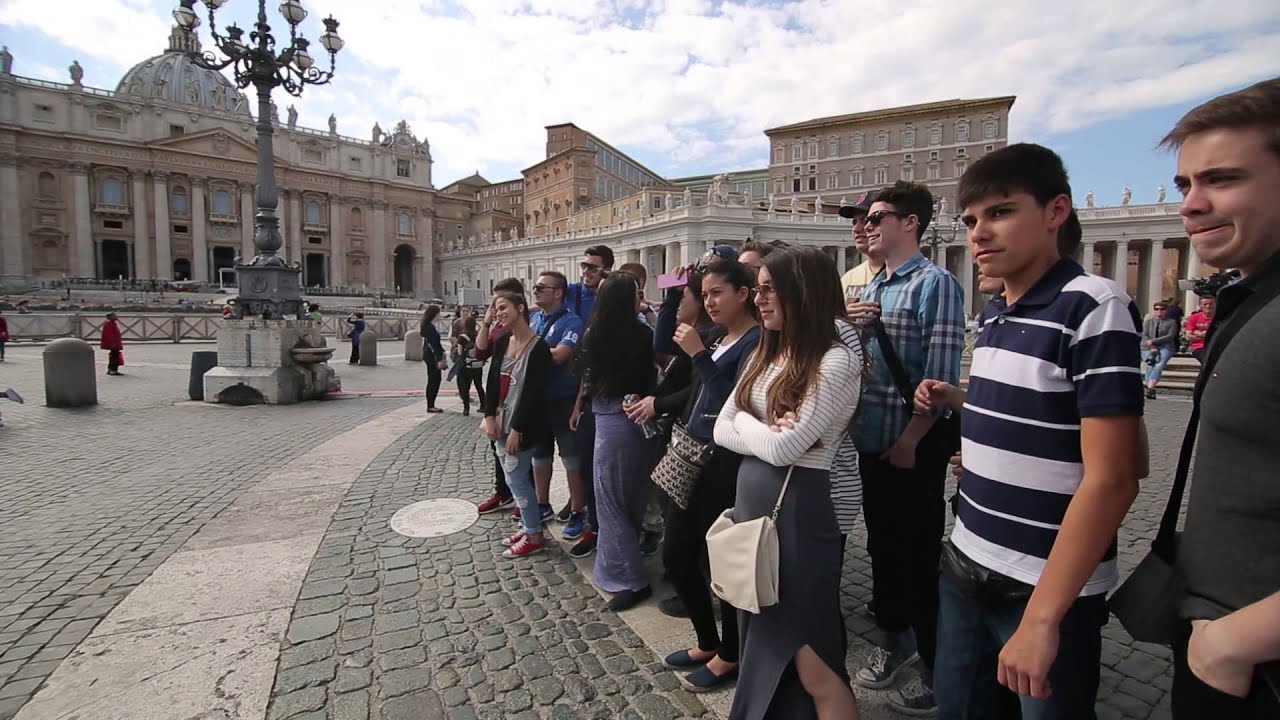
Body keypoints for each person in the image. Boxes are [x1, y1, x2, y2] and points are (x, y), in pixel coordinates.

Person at [917, 143, 1144, 719]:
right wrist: (969, 409)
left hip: (1042, 588)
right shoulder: (995, 311)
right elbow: (1043, 404)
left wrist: (1044, 619)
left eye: (1000, 212)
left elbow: (1117, 478)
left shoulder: (1094, 306)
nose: (979, 233)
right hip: (966, 559)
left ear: (1056, 210)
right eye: (970, 220)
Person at [1160, 77, 1280, 719]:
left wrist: (1236, 642)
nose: (1191, 205)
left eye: (1223, 179)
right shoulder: (1254, 298)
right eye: (1184, 185)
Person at [714, 246, 862, 720]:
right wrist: (768, 428)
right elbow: (721, 426)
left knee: (811, 655)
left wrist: (753, 428)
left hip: (797, 516)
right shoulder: (769, 350)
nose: (759, 299)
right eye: (758, 290)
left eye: (769, 289)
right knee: (762, 636)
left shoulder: (836, 361)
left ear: (805, 291)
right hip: (754, 509)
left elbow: (784, 450)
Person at [846, 181, 966, 715]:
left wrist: (911, 441)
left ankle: (939, 667)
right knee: (882, 548)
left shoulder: (934, 284)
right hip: (871, 442)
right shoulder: (876, 283)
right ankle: (895, 640)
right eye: (867, 219)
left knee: (918, 554)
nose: (867, 225)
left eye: (877, 217)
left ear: (910, 222)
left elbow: (939, 378)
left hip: (909, 445)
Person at [645, 260, 761, 693]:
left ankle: (731, 652)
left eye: (717, 293)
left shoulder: (754, 342)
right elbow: (663, 341)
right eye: (705, 294)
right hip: (689, 455)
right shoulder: (713, 335)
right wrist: (675, 291)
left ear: (742, 294)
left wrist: (699, 354)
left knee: (720, 562)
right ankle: (707, 640)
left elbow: (731, 398)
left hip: (723, 463)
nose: (709, 302)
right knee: (676, 554)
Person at [572, 272, 657, 610]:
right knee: (631, 499)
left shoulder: (595, 334)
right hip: (638, 421)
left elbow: (582, 376)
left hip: (611, 422)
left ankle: (629, 577)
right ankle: (625, 564)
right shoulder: (643, 332)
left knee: (611, 503)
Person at [481, 290, 553, 559]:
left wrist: (519, 430)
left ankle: (534, 534)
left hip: (522, 427)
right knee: (514, 480)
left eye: (503, 307)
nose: (498, 313)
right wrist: (488, 416)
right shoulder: (502, 342)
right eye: (496, 309)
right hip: (500, 421)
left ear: (520, 308)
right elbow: (490, 381)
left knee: (517, 480)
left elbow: (534, 393)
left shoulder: (539, 348)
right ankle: (529, 526)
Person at [562, 245, 616, 559]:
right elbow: (549, 292)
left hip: (605, 397)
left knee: (603, 468)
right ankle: (582, 508)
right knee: (581, 458)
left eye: (593, 268)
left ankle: (600, 523)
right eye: (584, 266)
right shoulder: (574, 293)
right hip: (583, 388)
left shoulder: (617, 301)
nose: (586, 273)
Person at [528, 271, 588, 536]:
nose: (536, 291)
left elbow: (561, 355)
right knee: (540, 457)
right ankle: (542, 504)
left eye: (542, 287)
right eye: (535, 287)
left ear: (558, 292)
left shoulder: (572, 322)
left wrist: (530, 348)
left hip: (563, 400)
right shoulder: (533, 319)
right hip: (538, 401)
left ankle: (578, 511)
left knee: (571, 460)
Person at [475, 279, 528, 516]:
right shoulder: (497, 325)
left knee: (520, 451)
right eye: (495, 304)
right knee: (497, 447)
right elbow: (480, 351)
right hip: (498, 395)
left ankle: (525, 499)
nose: (497, 309)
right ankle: (503, 491)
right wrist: (486, 322)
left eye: (502, 304)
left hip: (518, 394)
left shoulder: (525, 326)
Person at [1141, 301, 1179, 398]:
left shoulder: (1171, 322)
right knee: (1150, 365)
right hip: (1148, 347)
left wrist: (1153, 341)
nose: (1159, 311)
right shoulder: (1148, 322)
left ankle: (1150, 387)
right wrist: (1152, 346)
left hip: (1165, 346)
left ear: (1166, 311)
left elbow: (1170, 336)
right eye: (1157, 309)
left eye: (1162, 309)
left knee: (1159, 364)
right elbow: (1144, 335)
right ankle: (1151, 389)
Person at [452, 313, 487, 416]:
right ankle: (483, 405)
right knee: (479, 385)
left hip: (466, 365)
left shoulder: (463, 337)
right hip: (477, 364)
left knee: (465, 386)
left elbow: (459, 352)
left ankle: (466, 408)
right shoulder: (478, 335)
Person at [420, 305, 446, 414]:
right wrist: (439, 358)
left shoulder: (428, 326)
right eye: (439, 313)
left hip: (429, 355)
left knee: (433, 379)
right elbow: (434, 344)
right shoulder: (429, 328)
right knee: (434, 380)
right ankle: (431, 405)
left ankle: (431, 404)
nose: (440, 315)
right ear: (434, 314)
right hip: (432, 356)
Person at [1184, 295, 1216, 363]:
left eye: (1210, 304)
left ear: (1215, 304)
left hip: (1215, 346)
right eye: (1205, 304)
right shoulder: (1193, 318)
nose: (1208, 306)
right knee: (1206, 361)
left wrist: (1198, 333)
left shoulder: (1220, 318)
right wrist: (1207, 336)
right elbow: (1188, 337)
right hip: (1199, 347)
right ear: (1200, 305)